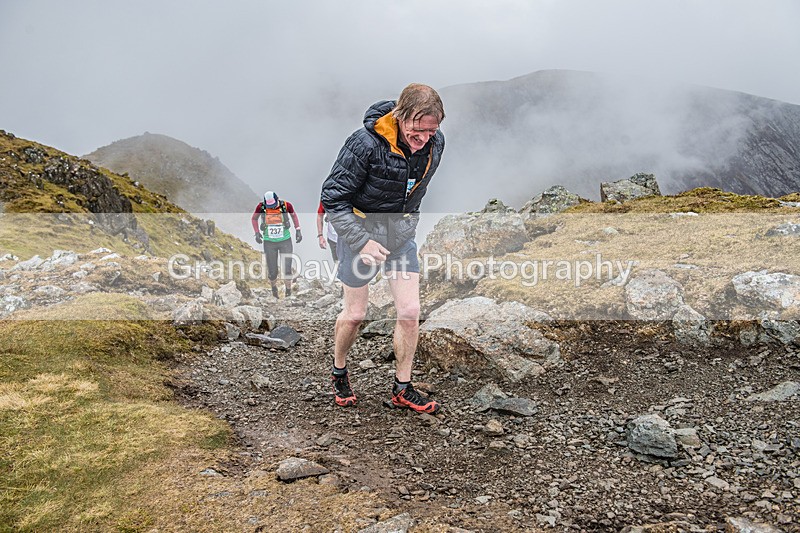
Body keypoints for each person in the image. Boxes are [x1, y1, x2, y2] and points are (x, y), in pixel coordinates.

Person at [321, 83, 445, 413]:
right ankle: (339, 371)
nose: (423, 141)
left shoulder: (435, 144)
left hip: (399, 236)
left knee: (409, 312)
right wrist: (362, 242)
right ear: (400, 117)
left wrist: (405, 227)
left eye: (431, 132)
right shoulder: (364, 144)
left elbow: (415, 193)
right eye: (417, 131)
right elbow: (333, 198)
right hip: (358, 234)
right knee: (356, 315)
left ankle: (402, 388)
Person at [251, 190, 302, 298]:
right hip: (269, 243)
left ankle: (288, 292)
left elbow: (294, 215)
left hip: (285, 241)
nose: (272, 207)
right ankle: (274, 290)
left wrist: (298, 230)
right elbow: (254, 218)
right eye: (270, 206)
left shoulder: (286, 205)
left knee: (287, 269)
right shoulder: (261, 207)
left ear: (277, 199)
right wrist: (257, 233)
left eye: (273, 205)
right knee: (273, 271)